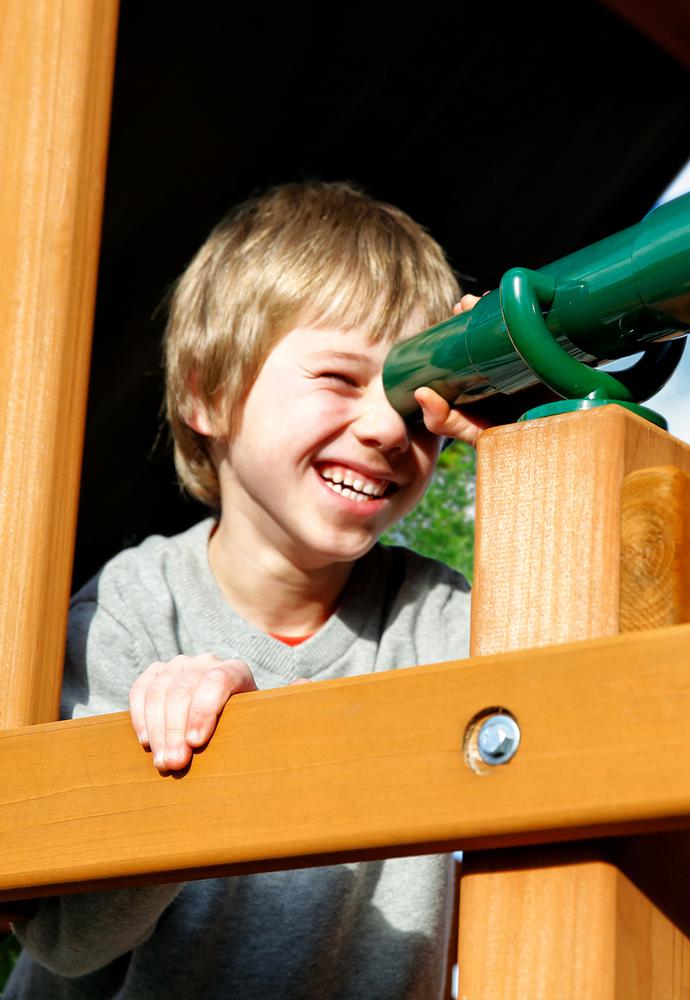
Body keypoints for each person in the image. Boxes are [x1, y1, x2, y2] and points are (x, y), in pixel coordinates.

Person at [3, 181, 486, 1000]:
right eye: (340, 378)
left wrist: (525, 440)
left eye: (416, 399)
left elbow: (597, 683)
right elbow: (66, 937)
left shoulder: (440, 619)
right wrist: (189, 766)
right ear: (209, 391)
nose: (384, 427)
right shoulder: (131, 610)